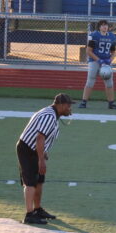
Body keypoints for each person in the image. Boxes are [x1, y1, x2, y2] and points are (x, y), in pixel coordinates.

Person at [17, 93, 72, 225]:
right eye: (68, 106)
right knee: (30, 182)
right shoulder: (49, 116)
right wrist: (41, 160)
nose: (70, 109)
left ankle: (37, 209)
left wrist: (43, 152)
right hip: (28, 149)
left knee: (39, 181)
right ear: (61, 105)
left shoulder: (52, 114)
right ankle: (29, 214)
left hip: (35, 149)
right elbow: (39, 138)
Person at [78, 20, 116, 109]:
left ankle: (111, 103)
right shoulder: (94, 35)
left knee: (109, 83)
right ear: (99, 27)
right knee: (90, 80)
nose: (105, 27)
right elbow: (88, 51)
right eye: (102, 25)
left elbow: (113, 52)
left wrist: (110, 60)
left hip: (106, 62)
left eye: (106, 25)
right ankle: (83, 102)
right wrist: (99, 60)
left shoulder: (112, 36)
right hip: (94, 61)